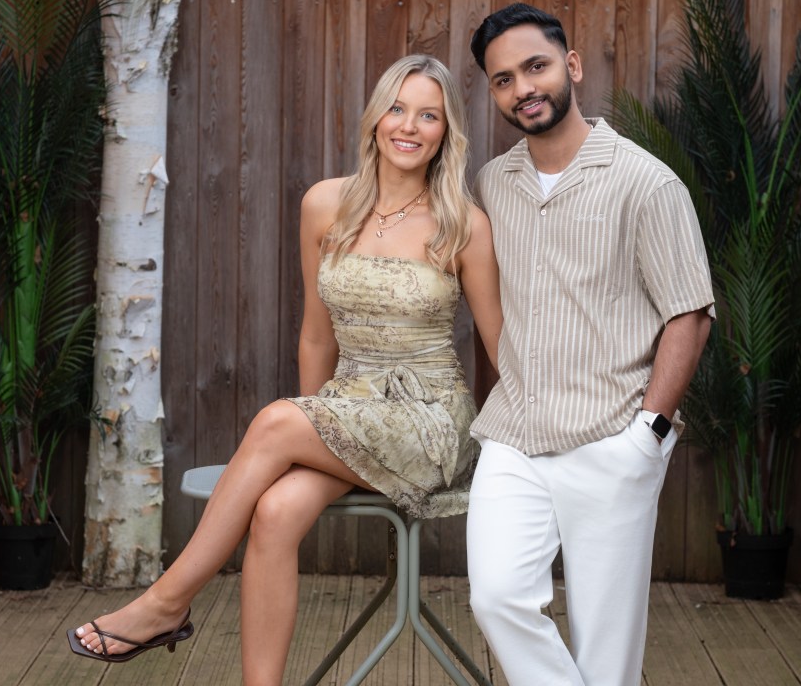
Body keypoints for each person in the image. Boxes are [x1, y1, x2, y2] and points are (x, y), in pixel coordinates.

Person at [66, 54, 502, 686]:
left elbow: (499, 351)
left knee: (276, 422)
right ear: (375, 117)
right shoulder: (326, 205)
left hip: (429, 422)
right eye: (397, 108)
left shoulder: (466, 224)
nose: (409, 125)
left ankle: (165, 603)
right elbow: (315, 333)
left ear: (446, 132)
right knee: (273, 513)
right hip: (347, 411)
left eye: (428, 114)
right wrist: (315, 439)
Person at [465, 3, 714, 686]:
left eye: (536, 66)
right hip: (514, 435)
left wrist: (647, 433)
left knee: (606, 648)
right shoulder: (492, 183)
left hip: (611, 436)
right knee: (495, 597)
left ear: (570, 66)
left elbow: (688, 315)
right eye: (503, 79)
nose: (523, 88)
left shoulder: (645, 182)